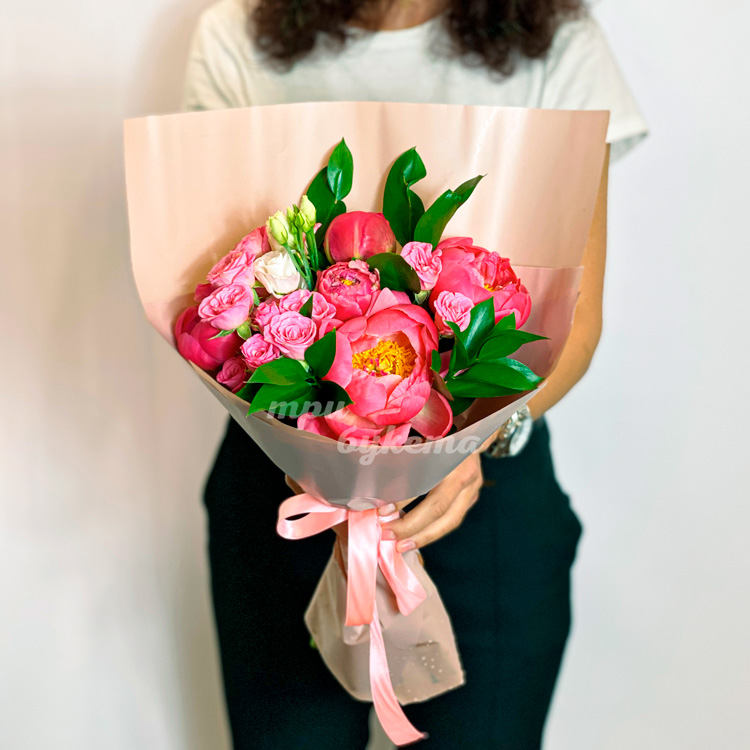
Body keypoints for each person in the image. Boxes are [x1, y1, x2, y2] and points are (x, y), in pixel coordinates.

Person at [182, 1, 647, 747]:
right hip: (284, 500)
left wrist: (473, 444)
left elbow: (576, 320)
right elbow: (211, 296)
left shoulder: (559, 47)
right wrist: (312, 443)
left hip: (485, 498)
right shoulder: (237, 34)